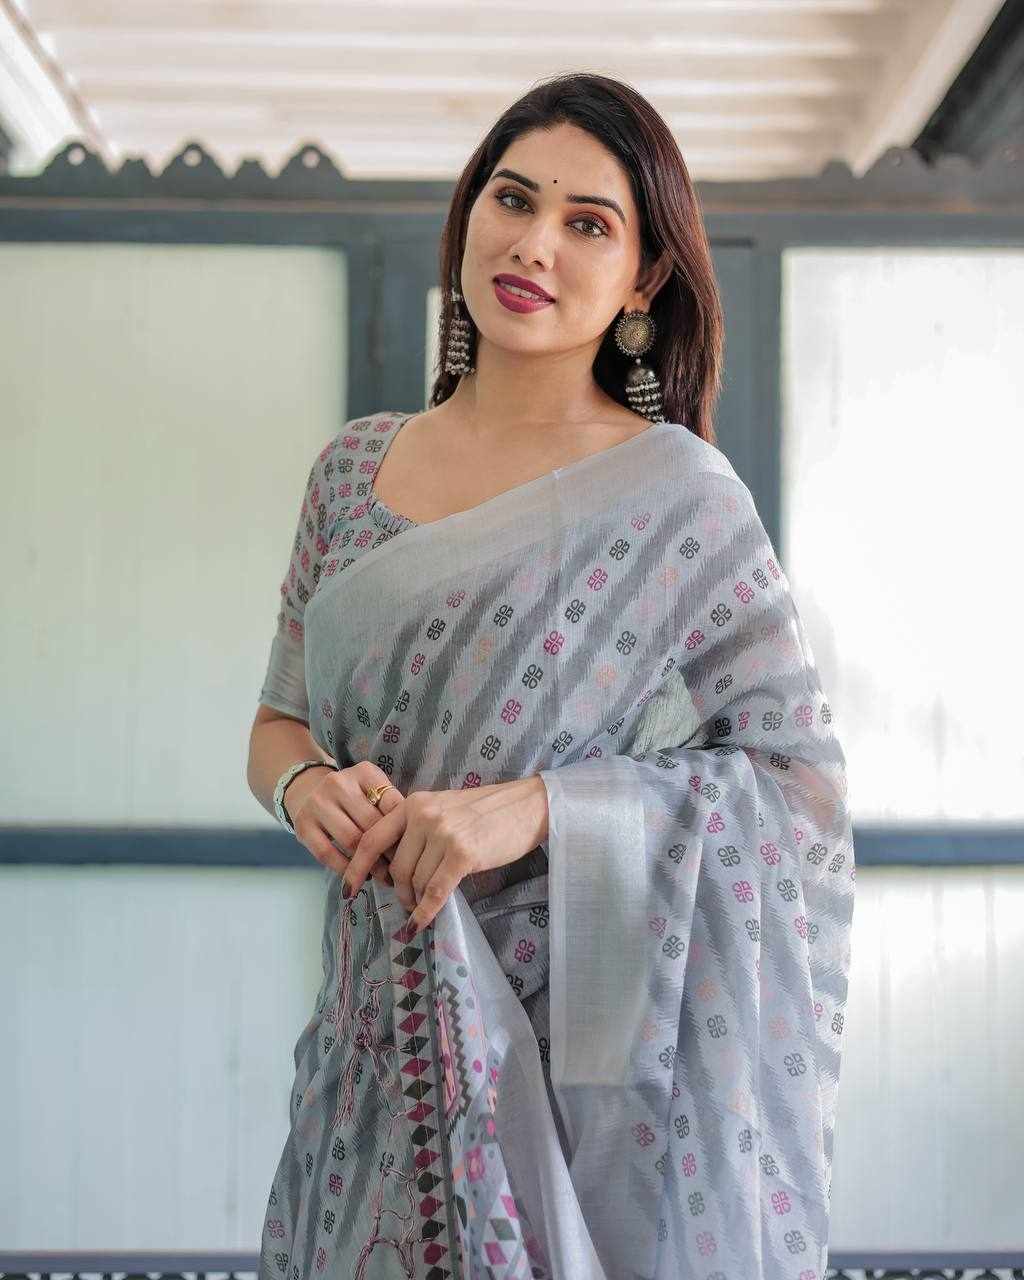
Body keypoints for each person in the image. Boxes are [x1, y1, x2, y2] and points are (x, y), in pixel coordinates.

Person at [247, 71, 855, 1280]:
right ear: (470, 212)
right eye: (513, 199)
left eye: (588, 223)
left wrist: (533, 809)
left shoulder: (677, 496)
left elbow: (796, 784)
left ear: (642, 282)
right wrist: (302, 784)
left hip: (571, 1057)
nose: (534, 244)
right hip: (371, 1038)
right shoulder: (352, 470)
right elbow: (279, 718)